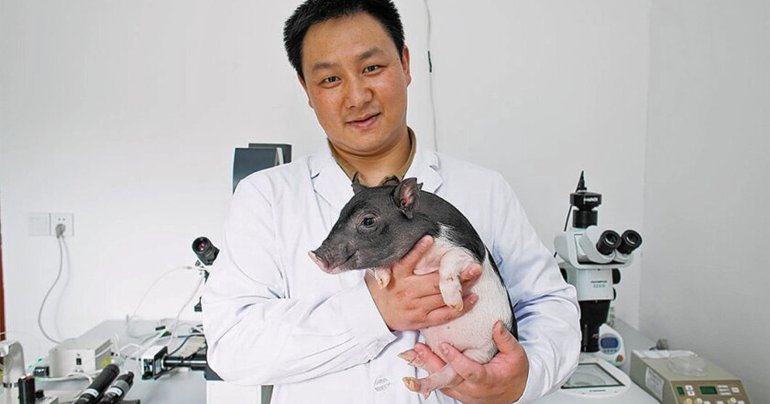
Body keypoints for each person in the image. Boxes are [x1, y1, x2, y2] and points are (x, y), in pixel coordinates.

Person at [201, 0, 580, 403]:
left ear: (405, 64)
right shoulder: (266, 198)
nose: (357, 96)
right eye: (330, 79)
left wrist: (522, 378)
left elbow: (549, 306)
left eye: (371, 68)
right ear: (306, 90)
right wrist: (373, 312)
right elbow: (232, 345)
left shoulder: (484, 188)